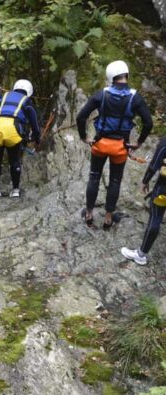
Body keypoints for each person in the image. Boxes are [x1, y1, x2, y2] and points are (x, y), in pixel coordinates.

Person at [77, 60, 154, 229]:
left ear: (110, 77)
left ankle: (89, 214)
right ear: (126, 75)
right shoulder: (136, 97)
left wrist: (84, 138)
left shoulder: (101, 94)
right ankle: (108, 218)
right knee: (115, 181)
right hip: (120, 148)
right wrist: (138, 143)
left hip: (100, 144)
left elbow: (81, 117)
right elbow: (148, 123)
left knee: (94, 177)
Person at [0, 79, 40, 197]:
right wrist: (37, 139)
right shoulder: (27, 101)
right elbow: (34, 123)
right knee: (14, 160)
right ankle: (15, 190)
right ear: (29, 91)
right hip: (12, 129)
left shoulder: (4, 96)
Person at [121, 137, 166, 265]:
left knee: (156, 218)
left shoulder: (165, 144)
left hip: (163, 190)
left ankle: (141, 255)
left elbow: (154, 166)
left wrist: (145, 181)